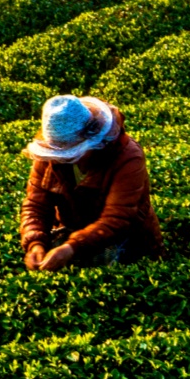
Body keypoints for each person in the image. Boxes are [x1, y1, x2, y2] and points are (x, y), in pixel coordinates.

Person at [18, 94, 163, 271]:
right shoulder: (51, 154)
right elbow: (35, 204)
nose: (64, 159)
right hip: (73, 232)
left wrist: (72, 247)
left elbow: (118, 217)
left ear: (92, 142)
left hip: (127, 240)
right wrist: (35, 242)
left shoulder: (127, 156)